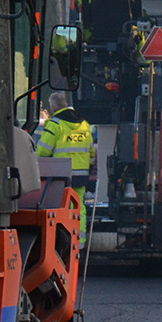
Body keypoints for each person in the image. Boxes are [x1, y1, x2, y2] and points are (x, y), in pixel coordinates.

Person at [35, 92, 96, 238]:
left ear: (53, 108)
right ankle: (79, 241)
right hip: (81, 175)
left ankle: (65, 240)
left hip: (61, 175)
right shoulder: (84, 124)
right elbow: (92, 153)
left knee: (61, 207)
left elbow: (42, 152)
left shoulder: (55, 124)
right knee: (78, 206)